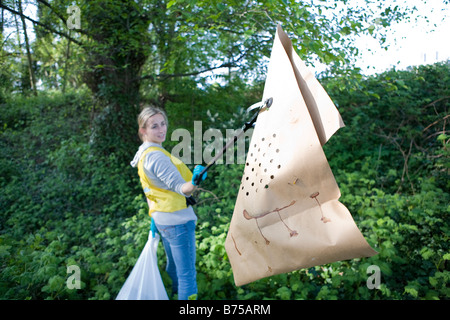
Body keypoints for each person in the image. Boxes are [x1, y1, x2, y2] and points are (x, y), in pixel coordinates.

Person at [130, 106, 207, 300]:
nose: (161, 129)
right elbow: (182, 188)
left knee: (173, 266)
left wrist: (153, 215)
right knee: (187, 276)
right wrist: (195, 180)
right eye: (154, 126)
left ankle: (174, 294)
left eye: (163, 123)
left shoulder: (145, 153)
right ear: (143, 131)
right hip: (177, 221)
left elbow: (150, 191)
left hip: (163, 220)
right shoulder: (156, 156)